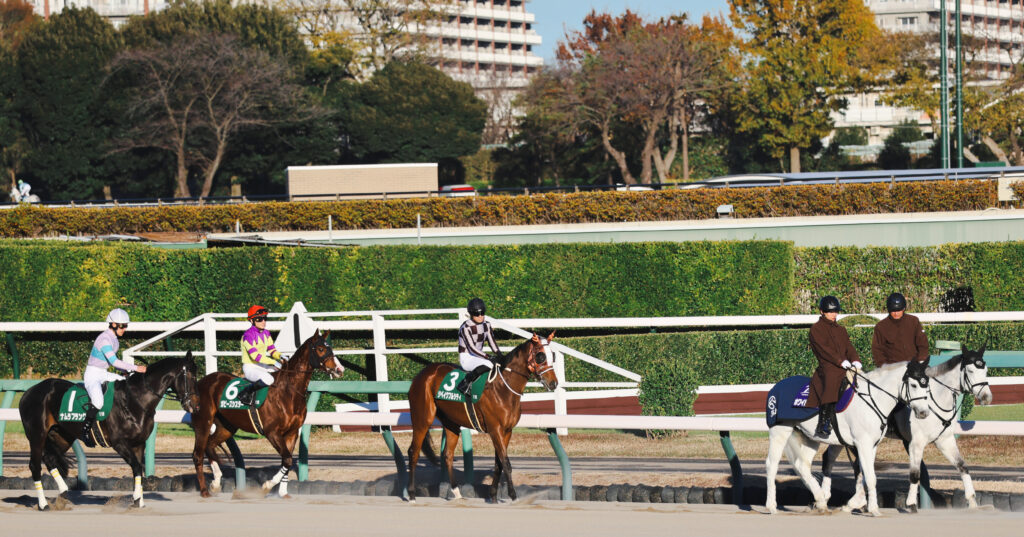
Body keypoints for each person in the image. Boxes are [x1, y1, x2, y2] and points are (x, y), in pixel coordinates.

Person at [81, 308, 146, 447]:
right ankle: (85, 432)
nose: (125, 329)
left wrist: (126, 372)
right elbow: (114, 362)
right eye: (122, 326)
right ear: (114, 324)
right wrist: (136, 368)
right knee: (98, 401)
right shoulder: (104, 339)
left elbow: (114, 364)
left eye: (126, 326)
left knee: (124, 383)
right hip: (92, 375)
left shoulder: (114, 339)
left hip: (103, 372)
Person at [807, 296, 862, 440]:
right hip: (828, 366)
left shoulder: (841, 329)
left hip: (844, 365)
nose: (833, 314)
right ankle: (823, 422)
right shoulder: (816, 329)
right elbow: (824, 349)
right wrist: (840, 361)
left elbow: (849, 347)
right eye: (830, 312)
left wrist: (855, 360)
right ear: (822, 312)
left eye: (835, 311)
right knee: (832, 379)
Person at [455, 298, 501, 397]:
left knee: (499, 363)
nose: (480, 316)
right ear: (471, 314)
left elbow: (492, 342)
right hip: (466, 357)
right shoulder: (465, 327)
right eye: (477, 314)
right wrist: (488, 357)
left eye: (482, 313)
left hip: (478, 357)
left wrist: (500, 354)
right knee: (489, 363)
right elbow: (471, 348)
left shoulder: (487, 325)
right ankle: (465, 383)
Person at [237, 305, 282, 405]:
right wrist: (274, 362)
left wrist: (281, 357)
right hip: (250, 367)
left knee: (281, 373)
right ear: (252, 321)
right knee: (268, 379)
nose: (263, 322)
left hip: (262, 366)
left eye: (265, 318)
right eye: (259, 319)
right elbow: (255, 356)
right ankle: (245, 392)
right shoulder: (248, 335)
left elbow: (272, 350)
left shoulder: (266, 333)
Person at [872, 292, 930, 368]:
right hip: (893, 368)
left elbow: (923, 343)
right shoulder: (881, 327)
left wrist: (921, 359)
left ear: (904, 309)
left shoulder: (913, 321)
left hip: (914, 364)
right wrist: (884, 367)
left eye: (898, 310)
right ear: (889, 310)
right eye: (893, 311)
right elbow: (877, 350)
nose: (896, 313)